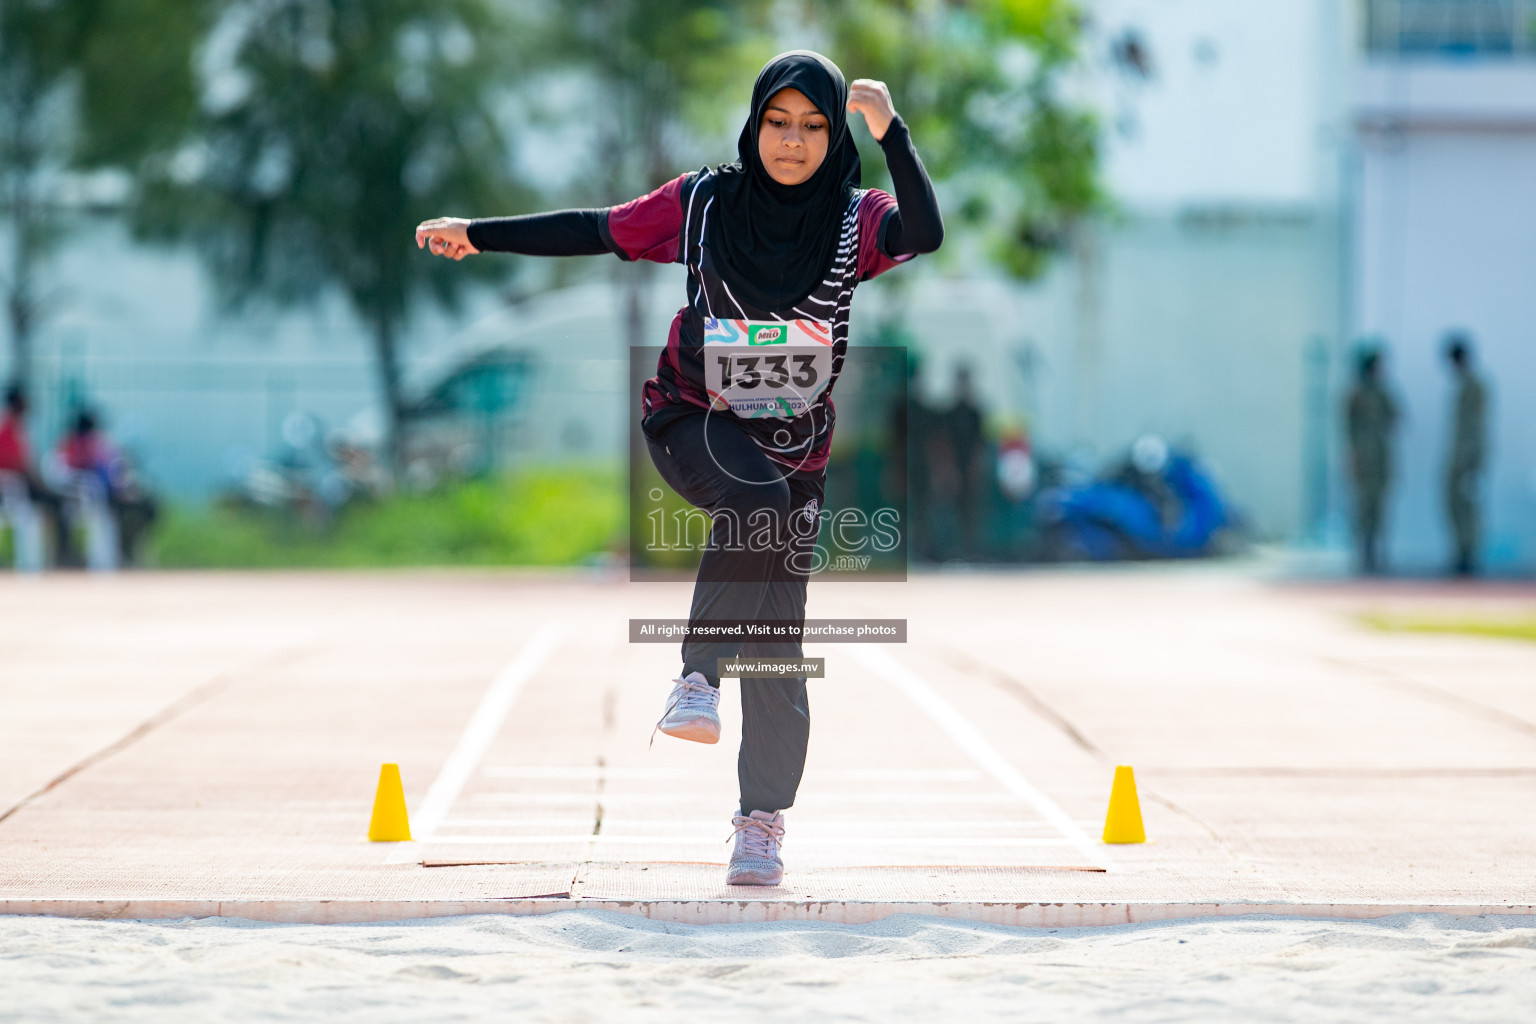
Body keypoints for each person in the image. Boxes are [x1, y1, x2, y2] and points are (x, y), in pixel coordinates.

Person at [416, 51, 942, 886]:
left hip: (796, 452)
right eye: (778, 122)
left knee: (776, 646)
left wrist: (891, 132)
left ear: (833, 134)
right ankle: (696, 675)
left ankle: (760, 825)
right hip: (691, 421)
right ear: (754, 122)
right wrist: (479, 235)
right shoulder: (700, 203)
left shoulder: (856, 220)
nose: (793, 143)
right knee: (754, 496)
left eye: (813, 126)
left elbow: (925, 232)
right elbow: (596, 227)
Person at [56, 410, 160, 566]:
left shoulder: (91, 444)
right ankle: (120, 551)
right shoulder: (79, 445)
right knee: (139, 509)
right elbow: (97, 473)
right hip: (94, 497)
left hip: (105, 494)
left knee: (142, 509)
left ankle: (123, 549)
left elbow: (113, 472)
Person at [0, 383, 76, 566]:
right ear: (17, 402)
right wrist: (36, 482)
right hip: (14, 488)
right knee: (59, 503)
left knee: (61, 502)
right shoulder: (8, 427)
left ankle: (58, 556)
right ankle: (63, 558)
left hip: (21, 484)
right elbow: (14, 463)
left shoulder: (16, 426)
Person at [1344, 347, 1398, 575]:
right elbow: (1348, 428)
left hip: (1381, 458)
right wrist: (1354, 457)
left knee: (1380, 507)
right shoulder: (1355, 394)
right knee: (1363, 507)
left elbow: (1395, 418)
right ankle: (1364, 555)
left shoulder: (1382, 393)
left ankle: (1378, 555)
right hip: (1364, 458)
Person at [1442, 333, 1488, 576]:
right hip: (1459, 455)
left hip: (1468, 457)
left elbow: (1477, 425)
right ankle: (1461, 551)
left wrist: (1473, 458)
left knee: (1468, 506)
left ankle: (1468, 555)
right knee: (1454, 504)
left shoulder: (1475, 387)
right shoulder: (1464, 386)